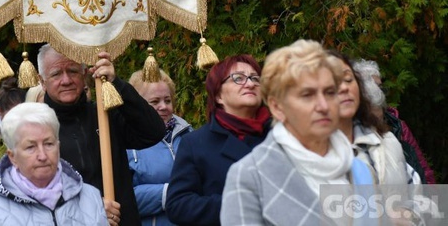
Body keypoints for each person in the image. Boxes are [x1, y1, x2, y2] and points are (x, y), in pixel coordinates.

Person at [221, 40, 372, 225]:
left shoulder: (360, 168)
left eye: (330, 92)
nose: (323, 106)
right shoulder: (249, 177)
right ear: (277, 107)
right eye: (307, 95)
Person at [38, 44, 166, 226]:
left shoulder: (105, 116)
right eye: (56, 74)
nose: (66, 80)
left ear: (85, 74)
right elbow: (34, 195)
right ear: (42, 81)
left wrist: (117, 84)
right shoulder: (35, 128)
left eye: (73, 71)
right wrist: (90, 211)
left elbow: (153, 132)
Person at [166, 54, 271, 226]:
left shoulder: (282, 135)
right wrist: (235, 203)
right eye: (238, 78)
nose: (250, 84)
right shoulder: (195, 143)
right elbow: (178, 205)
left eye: (255, 78)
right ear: (218, 96)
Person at [0, 102, 109, 225]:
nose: (42, 156)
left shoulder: (91, 197)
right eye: (31, 147)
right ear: (12, 157)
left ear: (58, 147)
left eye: (48, 144)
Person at [329, 52, 418, 184]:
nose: (344, 88)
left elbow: (419, 194)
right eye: (334, 84)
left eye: (348, 80)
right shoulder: (307, 153)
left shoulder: (389, 141)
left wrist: (409, 205)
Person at [126, 69, 192, 226]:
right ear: (137, 104)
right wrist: (168, 193)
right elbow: (122, 198)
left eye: (167, 100)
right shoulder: (125, 141)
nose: (163, 106)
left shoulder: (188, 134)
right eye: (154, 102)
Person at [354, 59, 436, 184]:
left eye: (380, 87)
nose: (378, 92)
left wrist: (433, 199)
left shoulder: (397, 127)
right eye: (373, 85)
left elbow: (423, 171)